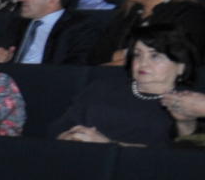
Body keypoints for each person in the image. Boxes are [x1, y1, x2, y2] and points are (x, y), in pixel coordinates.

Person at [54, 24, 193, 146]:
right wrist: (67, 137)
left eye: (155, 56)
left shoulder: (188, 103)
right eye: (137, 55)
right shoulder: (101, 88)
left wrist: (107, 145)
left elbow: (172, 154)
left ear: (181, 66)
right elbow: (59, 127)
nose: (143, 63)